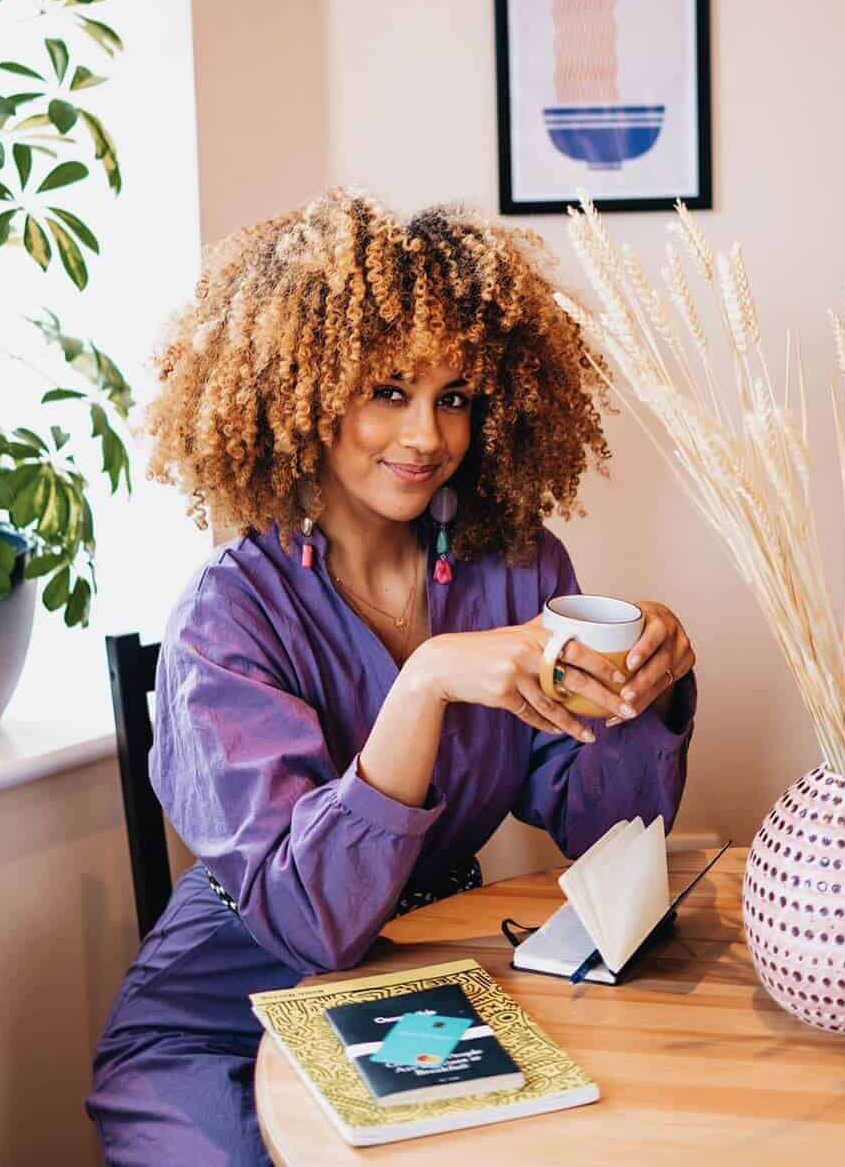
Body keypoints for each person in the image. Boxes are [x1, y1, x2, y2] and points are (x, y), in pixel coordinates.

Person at [87, 190, 697, 1165]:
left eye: (454, 397)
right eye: (388, 391)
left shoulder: (517, 565)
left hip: (422, 991)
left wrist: (641, 685)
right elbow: (308, 923)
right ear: (303, 388)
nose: (426, 437)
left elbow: (599, 831)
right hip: (227, 1018)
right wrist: (426, 682)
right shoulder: (226, 615)